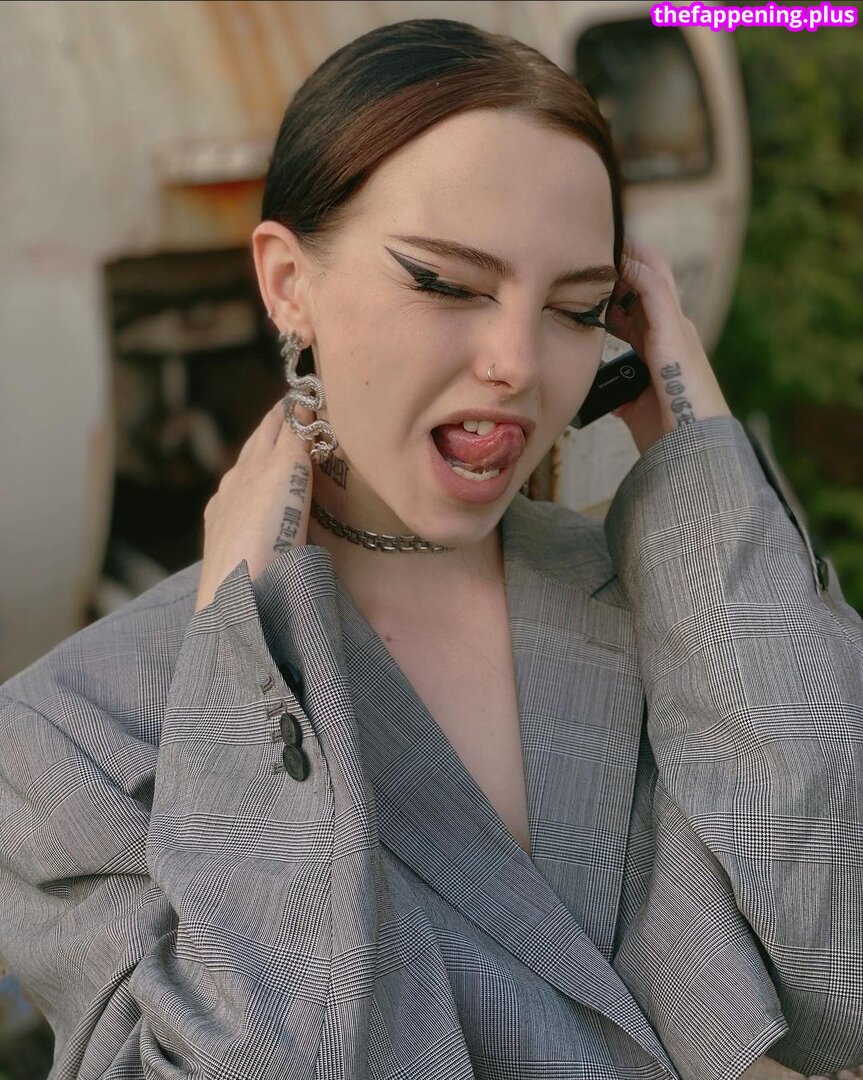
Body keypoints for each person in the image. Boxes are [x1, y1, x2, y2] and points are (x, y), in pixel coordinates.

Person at [0, 18, 861, 1080]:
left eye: (576, 308)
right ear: (287, 282)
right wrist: (243, 660)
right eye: (447, 284)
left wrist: (689, 427)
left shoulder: (677, 603)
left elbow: (842, 964)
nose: (516, 362)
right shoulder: (74, 736)